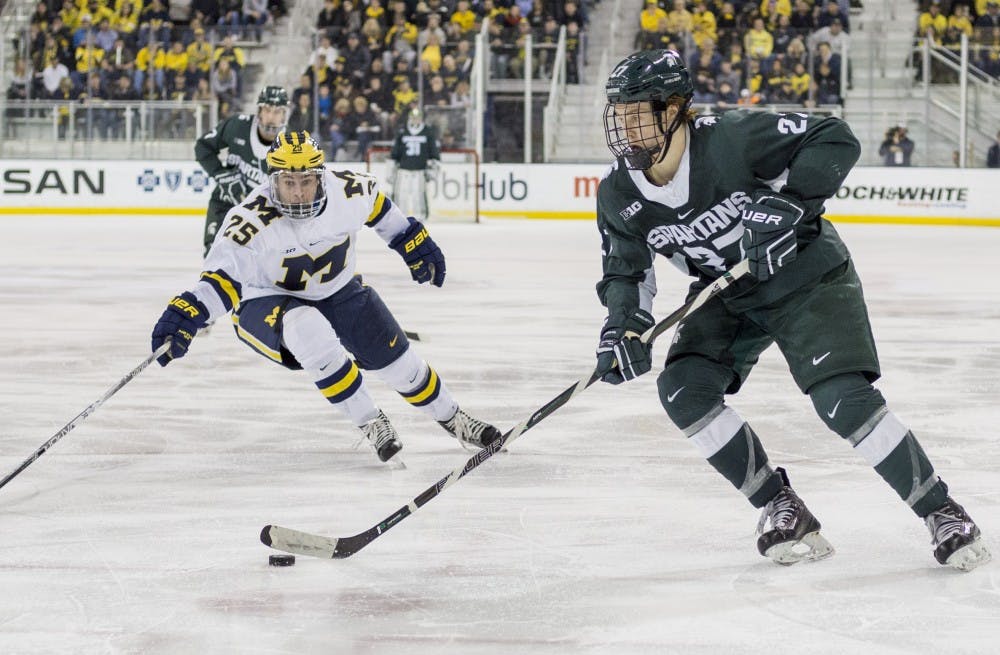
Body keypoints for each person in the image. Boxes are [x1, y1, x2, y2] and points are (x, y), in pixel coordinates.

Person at [594, 50, 990, 571]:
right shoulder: (618, 192)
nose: (625, 129)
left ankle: (942, 512)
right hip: (727, 291)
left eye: (637, 113)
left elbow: (833, 137)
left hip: (805, 276)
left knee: (841, 399)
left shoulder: (733, 138)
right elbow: (627, 273)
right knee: (683, 389)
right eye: (618, 115)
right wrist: (623, 328)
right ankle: (781, 506)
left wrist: (792, 202)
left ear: (674, 109)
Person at [150, 131, 500, 462]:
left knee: (401, 366)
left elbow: (381, 210)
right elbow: (220, 281)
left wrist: (411, 241)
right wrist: (187, 314)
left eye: (306, 181)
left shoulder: (349, 190)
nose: (298, 192)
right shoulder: (250, 220)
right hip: (264, 300)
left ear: (320, 175)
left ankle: (454, 418)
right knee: (307, 327)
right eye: (288, 183)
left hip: (338, 289)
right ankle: (370, 420)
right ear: (273, 181)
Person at [194, 85, 289, 257]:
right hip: (224, 206)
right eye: (267, 109)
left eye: (277, 111)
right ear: (259, 111)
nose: (271, 117)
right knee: (214, 258)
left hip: (264, 218)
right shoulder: (237, 125)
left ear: (284, 115)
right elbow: (203, 147)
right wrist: (221, 175)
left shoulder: (291, 145)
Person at [387, 107, 441, 220]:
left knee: (419, 195)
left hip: (420, 170)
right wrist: (390, 169)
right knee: (401, 195)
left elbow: (434, 153)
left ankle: (420, 217)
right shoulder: (402, 131)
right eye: (413, 117)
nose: (415, 120)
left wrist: (433, 169)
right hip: (403, 170)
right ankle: (399, 217)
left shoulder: (428, 132)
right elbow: (395, 152)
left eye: (417, 118)